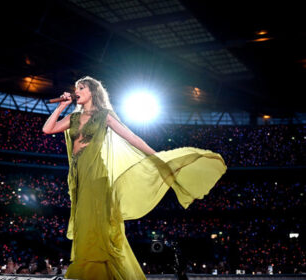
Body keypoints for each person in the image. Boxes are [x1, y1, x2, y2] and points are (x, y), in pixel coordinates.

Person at [42, 76, 226, 279]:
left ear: (92, 92)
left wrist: (156, 156)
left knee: (94, 223)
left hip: (97, 177)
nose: (76, 90)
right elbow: (47, 129)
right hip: (80, 178)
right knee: (83, 223)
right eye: (75, 87)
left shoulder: (105, 116)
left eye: (81, 87)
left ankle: (93, 272)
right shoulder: (74, 118)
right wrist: (62, 106)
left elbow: (132, 137)